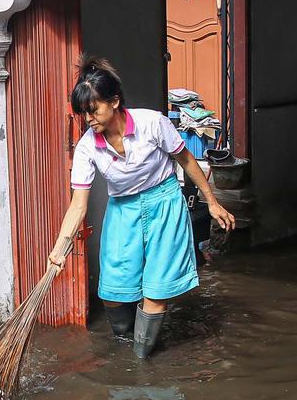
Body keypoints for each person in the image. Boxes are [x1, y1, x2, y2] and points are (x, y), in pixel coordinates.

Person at [47, 57, 234, 359]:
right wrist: (59, 249)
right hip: (123, 210)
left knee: (155, 291)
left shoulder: (152, 123)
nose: (88, 119)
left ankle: (141, 361)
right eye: (83, 113)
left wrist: (211, 202)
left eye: (93, 110)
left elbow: (186, 160)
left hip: (164, 203)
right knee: (113, 291)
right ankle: (128, 343)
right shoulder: (87, 147)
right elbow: (78, 205)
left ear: (114, 101)